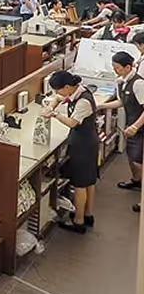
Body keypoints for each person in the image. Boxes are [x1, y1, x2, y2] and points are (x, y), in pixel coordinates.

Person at [42, 71, 98, 233]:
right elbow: (59, 98)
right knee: (89, 181)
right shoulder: (78, 91)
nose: (57, 94)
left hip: (83, 145)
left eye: (58, 90)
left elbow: (73, 122)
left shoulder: (83, 102)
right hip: (88, 142)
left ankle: (78, 222)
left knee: (80, 184)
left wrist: (54, 114)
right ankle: (88, 214)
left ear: (67, 87)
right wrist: (51, 105)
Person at [98, 52, 144, 206]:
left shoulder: (138, 84)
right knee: (131, 157)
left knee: (138, 160)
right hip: (130, 125)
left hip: (139, 126)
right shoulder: (121, 81)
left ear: (128, 67)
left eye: (117, 68)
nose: (115, 70)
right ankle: (136, 180)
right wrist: (101, 105)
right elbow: (120, 102)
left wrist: (135, 126)